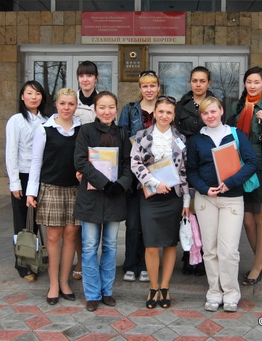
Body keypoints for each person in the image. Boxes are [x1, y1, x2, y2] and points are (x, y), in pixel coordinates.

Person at [186, 97, 256, 313]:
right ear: (201, 116)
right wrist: (204, 189)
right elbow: (191, 171)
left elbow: (252, 162)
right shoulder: (196, 140)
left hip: (232, 199)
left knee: (229, 250)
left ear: (221, 111)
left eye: (213, 111)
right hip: (206, 200)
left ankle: (231, 293)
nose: (210, 116)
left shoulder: (236, 135)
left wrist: (231, 183)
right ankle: (214, 292)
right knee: (210, 249)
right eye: (205, 113)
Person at [74, 91, 133, 312]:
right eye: (102, 107)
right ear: (95, 110)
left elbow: (128, 163)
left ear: (116, 109)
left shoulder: (122, 133)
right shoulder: (86, 131)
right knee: (89, 247)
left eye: (111, 107)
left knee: (110, 246)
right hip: (91, 196)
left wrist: (121, 184)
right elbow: (81, 161)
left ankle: (107, 291)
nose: (107, 111)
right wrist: (104, 183)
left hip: (115, 197)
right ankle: (92, 293)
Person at [130, 95, 191, 309]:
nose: (164, 115)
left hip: (173, 198)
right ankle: (153, 287)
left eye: (169, 112)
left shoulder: (180, 139)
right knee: (152, 244)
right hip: (150, 196)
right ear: (154, 113)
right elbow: (135, 164)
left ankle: (165, 286)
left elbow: (183, 172)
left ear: (173, 116)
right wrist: (155, 183)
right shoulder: (141, 136)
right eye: (161, 111)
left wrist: (186, 201)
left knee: (170, 243)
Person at [26, 88, 82, 305]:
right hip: (51, 189)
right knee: (53, 237)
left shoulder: (81, 129)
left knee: (71, 236)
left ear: (76, 106)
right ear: (56, 104)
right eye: (63, 103)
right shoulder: (44, 129)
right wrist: (31, 192)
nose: (66, 108)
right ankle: (53, 284)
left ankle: (65, 282)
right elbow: (36, 162)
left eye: (71, 104)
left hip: (74, 190)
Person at [227, 67, 262, 286]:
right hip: (239, 166)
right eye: (249, 81)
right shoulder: (237, 107)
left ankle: (257, 266)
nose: (252, 86)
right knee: (247, 220)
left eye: (257, 82)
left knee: (260, 218)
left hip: (261, 167)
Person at [175, 66, 219, 276]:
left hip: (208, 161)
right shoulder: (181, 105)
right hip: (186, 160)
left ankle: (203, 254)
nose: (198, 84)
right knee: (189, 209)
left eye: (202, 81)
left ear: (208, 83)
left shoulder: (215, 104)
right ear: (190, 82)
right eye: (195, 80)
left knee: (205, 211)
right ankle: (189, 254)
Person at [118, 70, 161, 283]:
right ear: (140, 89)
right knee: (133, 222)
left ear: (158, 88)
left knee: (149, 222)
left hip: (158, 173)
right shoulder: (130, 109)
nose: (149, 89)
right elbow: (122, 138)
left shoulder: (164, 108)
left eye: (152, 85)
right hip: (135, 175)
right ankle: (130, 264)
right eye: (145, 86)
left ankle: (145, 264)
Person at [5, 80, 48, 281]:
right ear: (22, 97)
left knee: (36, 222)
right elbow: (11, 153)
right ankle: (22, 264)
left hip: (40, 176)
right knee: (22, 222)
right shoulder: (16, 120)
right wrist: (14, 183)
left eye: (37, 93)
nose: (33, 97)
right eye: (29, 93)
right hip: (22, 176)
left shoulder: (46, 120)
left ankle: (35, 258)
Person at [71, 60, 99, 280]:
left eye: (89, 75)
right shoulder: (72, 102)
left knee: (90, 218)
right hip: (73, 165)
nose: (85, 79)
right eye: (82, 75)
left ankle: (88, 260)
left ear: (96, 78)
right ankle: (78, 260)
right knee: (74, 221)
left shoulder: (102, 102)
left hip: (95, 168)